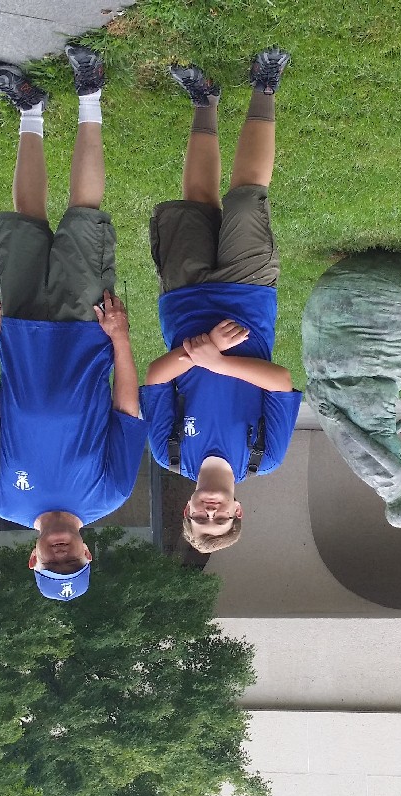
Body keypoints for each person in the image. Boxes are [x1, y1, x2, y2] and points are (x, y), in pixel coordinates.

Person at [0, 46, 146, 602]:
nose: (61, 555)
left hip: (20, 338)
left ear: (34, 558)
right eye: (72, 563)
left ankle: (30, 108)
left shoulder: (2, 498)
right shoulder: (110, 494)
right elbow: (128, 412)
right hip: (87, 333)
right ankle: (90, 91)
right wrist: (120, 340)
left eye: (52, 564)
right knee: (83, 215)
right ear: (88, 554)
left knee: (27, 218)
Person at [140, 48, 301, 555]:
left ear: (186, 509)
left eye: (200, 519)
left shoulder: (169, 453)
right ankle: (265, 85)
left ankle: (204, 100)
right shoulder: (263, 457)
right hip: (248, 298)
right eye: (220, 519)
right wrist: (219, 361)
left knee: (197, 197)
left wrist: (202, 349)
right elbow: (281, 382)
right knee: (247, 196)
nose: (210, 512)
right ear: (237, 510)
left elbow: (155, 378)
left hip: (184, 302)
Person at [302, 250, 401, 528]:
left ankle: (378, 287)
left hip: (363, 402)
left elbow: (370, 445)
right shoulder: (377, 484)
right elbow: (382, 439)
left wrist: (339, 418)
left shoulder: (396, 479)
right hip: (367, 407)